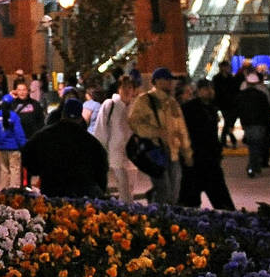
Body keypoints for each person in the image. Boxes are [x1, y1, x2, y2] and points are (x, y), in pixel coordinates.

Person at [22, 88, 110, 196]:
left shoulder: (45, 135)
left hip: (52, 190)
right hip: (83, 194)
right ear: (80, 118)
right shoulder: (90, 142)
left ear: (63, 114)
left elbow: (27, 155)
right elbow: (102, 168)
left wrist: (40, 171)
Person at [128, 67, 192, 203]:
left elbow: (181, 129)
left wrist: (187, 152)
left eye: (171, 80)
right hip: (156, 152)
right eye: (167, 80)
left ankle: (164, 213)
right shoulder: (145, 100)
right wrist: (155, 132)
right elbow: (134, 123)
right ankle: (159, 217)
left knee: (174, 193)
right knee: (164, 191)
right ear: (156, 81)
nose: (170, 83)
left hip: (173, 153)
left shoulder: (172, 102)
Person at [180, 78, 235, 209]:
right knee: (190, 203)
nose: (210, 92)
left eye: (211, 89)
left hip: (211, 160)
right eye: (206, 89)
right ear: (198, 92)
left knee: (222, 201)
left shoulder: (211, 108)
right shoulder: (189, 108)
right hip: (194, 161)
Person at [92, 70, 143, 199]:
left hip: (133, 156)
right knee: (124, 187)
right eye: (123, 87)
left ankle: (122, 213)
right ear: (119, 89)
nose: (127, 90)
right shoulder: (110, 105)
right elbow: (101, 130)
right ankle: (129, 214)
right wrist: (100, 153)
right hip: (116, 154)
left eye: (130, 87)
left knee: (129, 189)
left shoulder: (136, 107)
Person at [237, 72, 270, 176]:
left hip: (248, 124)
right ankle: (253, 167)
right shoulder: (261, 95)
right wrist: (266, 123)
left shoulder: (242, 95)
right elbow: (267, 110)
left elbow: (239, 110)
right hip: (260, 124)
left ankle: (254, 167)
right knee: (257, 145)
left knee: (252, 146)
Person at [0, 87, 28, 189]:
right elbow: (19, 133)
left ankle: (3, 191)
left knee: (4, 170)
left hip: (2, 147)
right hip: (14, 148)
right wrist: (23, 145)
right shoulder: (14, 117)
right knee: (14, 169)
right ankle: (13, 191)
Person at [211, 60, 240, 148]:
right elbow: (216, 91)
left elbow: (235, 90)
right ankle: (230, 139)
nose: (228, 68)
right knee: (228, 122)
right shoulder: (217, 78)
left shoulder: (231, 78)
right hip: (222, 103)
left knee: (229, 122)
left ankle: (225, 140)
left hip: (231, 103)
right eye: (226, 67)